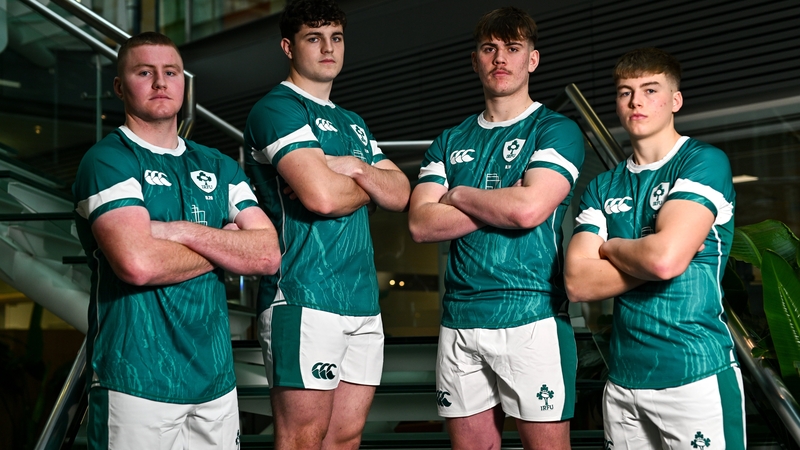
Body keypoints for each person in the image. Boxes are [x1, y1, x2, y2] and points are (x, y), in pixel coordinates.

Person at [73, 32, 281, 450]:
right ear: (119, 87)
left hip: (216, 382)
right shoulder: (108, 160)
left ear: (183, 83)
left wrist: (181, 231)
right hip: (136, 378)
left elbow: (268, 253)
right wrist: (225, 245)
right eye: (144, 72)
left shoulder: (218, 164)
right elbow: (138, 263)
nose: (159, 82)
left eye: (170, 72)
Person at [408, 7, 584, 450]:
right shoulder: (450, 140)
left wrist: (460, 194)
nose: (500, 58)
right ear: (475, 61)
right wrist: (505, 199)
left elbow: (528, 210)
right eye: (489, 49)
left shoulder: (556, 130)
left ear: (533, 59)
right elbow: (421, 223)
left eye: (512, 48)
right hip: (461, 318)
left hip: (532, 314)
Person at [242, 0, 410, 448]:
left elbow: (402, 193)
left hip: (360, 299)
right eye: (313, 38)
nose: (328, 47)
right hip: (302, 294)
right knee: (303, 437)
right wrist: (368, 186)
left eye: (335, 37)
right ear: (288, 47)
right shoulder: (276, 109)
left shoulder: (351, 123)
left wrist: (352, 166)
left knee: (346, 437)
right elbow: (321, 198)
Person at [564, 47, 743, 449]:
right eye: (626, 92)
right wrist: (651, 251)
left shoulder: (703, 162)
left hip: (694, 374)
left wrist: (610, 246)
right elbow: (578, 282)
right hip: (624, 383)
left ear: (675, 100)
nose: (636, 101)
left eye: (650, 89)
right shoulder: (602, 186)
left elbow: (664, 260)